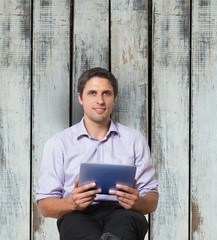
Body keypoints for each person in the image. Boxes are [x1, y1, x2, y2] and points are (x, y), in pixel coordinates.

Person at [36, 67, 159, 240]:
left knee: (127, 223)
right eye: (92, 93)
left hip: (124, 213)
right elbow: (44, 205)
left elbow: (151, 198)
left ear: (114, 99)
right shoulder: (58, 143)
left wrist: (138, 202)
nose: (100, 100)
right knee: (76, 227)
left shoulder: (134, 140)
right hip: (77, 214)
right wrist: (72, 202)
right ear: (80, 98)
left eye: (106, 93)